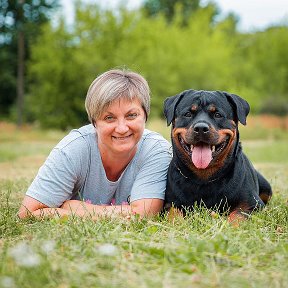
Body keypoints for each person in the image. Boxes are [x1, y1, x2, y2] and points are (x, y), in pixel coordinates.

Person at [18, 68, 171, 219]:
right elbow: (27, 212)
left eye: (131, 115)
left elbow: (145, 214)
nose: (122, 128)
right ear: (94, 122)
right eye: (109, 118)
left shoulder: (157, 150)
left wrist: (77, 208)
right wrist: (122, 213)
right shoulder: (73, 149)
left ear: (145, 116)